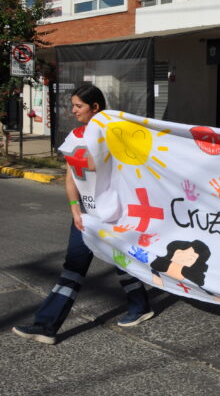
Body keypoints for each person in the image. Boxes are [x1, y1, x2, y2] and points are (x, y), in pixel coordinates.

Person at [12, 84, 154, 345]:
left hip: (113, 214)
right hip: (85, 215)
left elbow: (115, 167)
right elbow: (71, 178)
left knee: (120, 260)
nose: (72, 111)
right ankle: (46, 326)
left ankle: (140, 306)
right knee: (74, 268)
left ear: (95, 108)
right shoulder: (73, 137)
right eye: (73, 105)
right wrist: (75, 210)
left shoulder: (112, 136)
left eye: (78, 106)